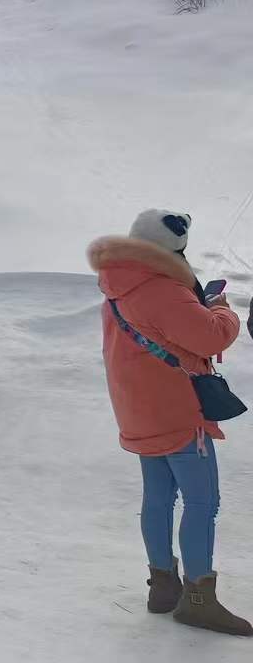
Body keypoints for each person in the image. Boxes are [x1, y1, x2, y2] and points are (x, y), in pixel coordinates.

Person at [91, 209, 249, 636]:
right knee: (202, 502)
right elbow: (211, 336)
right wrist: (221, 309)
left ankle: (162, 586)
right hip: (176, 411)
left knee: (158, 497)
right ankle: (199, 600)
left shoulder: (119, 282)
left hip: (137, 408)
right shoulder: (163, 289)